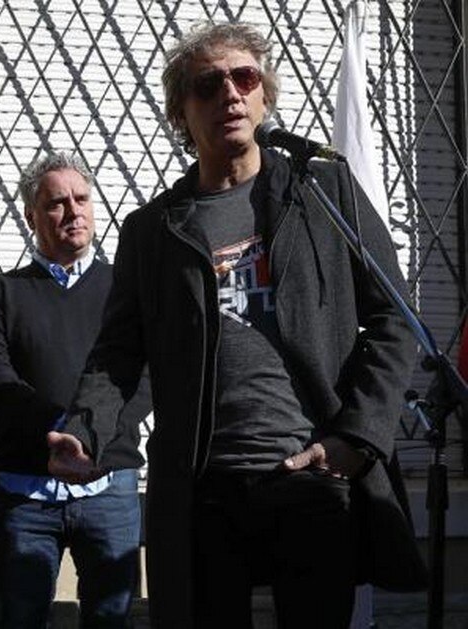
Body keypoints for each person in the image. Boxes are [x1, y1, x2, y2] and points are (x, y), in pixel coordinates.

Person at [47, 22, 427, 628]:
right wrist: (86, 428)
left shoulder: (322, 192)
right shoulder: (153, 231)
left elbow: (393, 319)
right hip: (202, 489)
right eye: (208, 84)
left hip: (309, 473)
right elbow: (120, 352)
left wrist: (356, 439)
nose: (230, 93)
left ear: (263, 95)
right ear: (182, 112)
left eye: (244, 77)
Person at [0, 152, 144, 628]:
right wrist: (57, 429)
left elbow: (145, 375)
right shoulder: (3, 293)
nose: (73, 211)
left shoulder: (125, 288)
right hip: (27, 496)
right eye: (56, 203)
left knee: (112, 619)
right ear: (31, 217)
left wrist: (91, 437)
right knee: (21, 619)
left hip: (110, 487)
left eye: (81, 198)